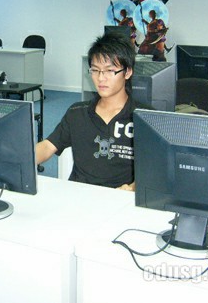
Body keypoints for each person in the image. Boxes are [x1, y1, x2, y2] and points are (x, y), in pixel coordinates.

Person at [35, 33, 149, 190]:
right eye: (95, 70)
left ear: (128, 72)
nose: (101, 78)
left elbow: (157, 167)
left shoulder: (144, 118)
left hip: (120, 198)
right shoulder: (77, 112)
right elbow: (48, 146)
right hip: (79, 195)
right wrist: (19, 159)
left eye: (110, 71)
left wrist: (133, 188)